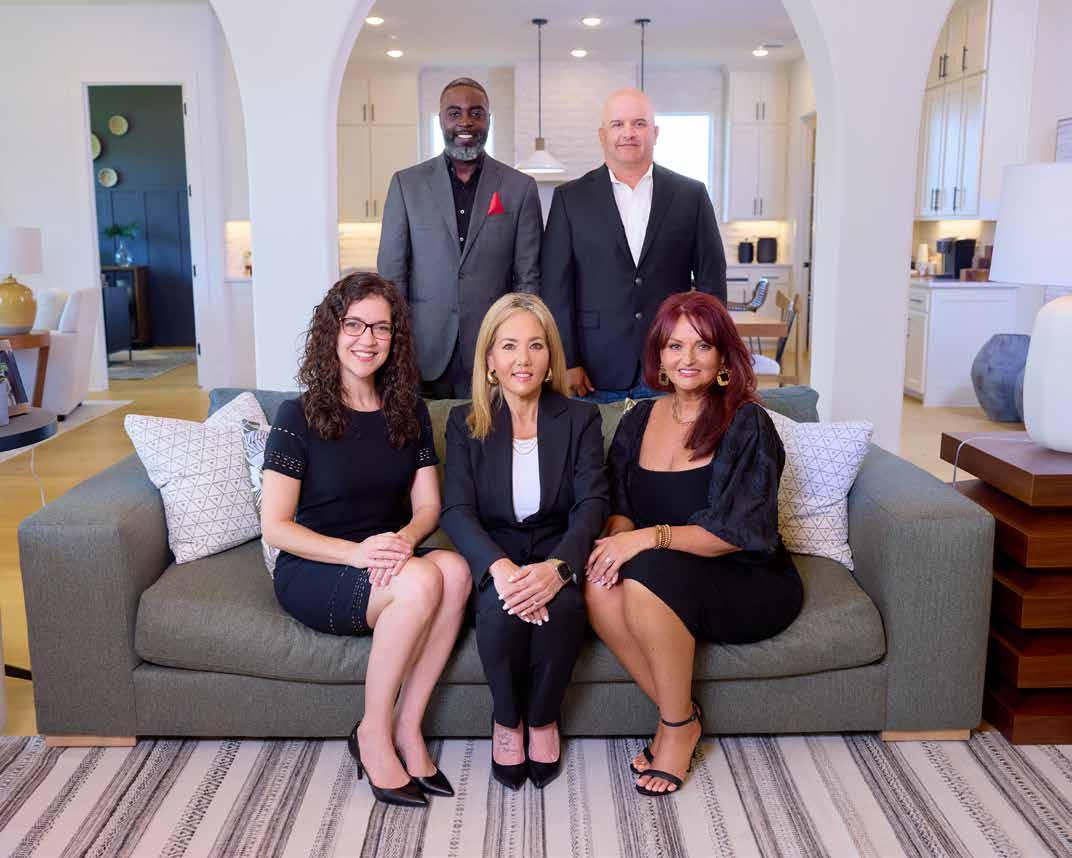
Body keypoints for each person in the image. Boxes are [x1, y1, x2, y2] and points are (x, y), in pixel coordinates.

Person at [260, 273, 472, 808]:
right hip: (317, 564)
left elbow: (428, 508)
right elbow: (276, 526)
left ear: (394, 338)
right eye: (354, 325)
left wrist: (403, 539)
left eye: (381, 327)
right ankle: (372, 734)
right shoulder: (297, 415)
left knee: (456, 571)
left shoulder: (409, 410)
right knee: (422, 580)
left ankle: (408, 727)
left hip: (387, 555)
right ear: (331, 331)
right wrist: (358, 553)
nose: (367, 339)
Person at [585, 291, 802, 797]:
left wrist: (646, 539)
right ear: (659, 356)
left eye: (703, 346)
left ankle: (676, 730)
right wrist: (616, 540)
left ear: (724, 356)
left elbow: (736, 532)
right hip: (665, 569)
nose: (687, 358)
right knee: (599, 585)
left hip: (746, 576)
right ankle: (681, 716)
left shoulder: (747, 423)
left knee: (645, 576)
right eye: (675, 346)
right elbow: (621, 504)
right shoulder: (638, 419)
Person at [440, 293, 608, 791]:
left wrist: (558, 568)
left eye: (536, 345)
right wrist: (499, 569)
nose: (523, 359)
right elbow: (456, 511)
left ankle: (542, 720)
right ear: (490, 359)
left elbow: (592, 504)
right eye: (509, 346)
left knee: (564, 609)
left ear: (550, 356)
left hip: (557, 550)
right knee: (499, 612)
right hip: (496, 553)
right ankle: (507, 722)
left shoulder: (580, 418)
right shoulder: (464, 421)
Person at [541, 87, 728, 402]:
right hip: (592, 371)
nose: (628, 133)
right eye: (618, 124)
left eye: (639, 123)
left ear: (655, 133)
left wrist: (708, 354)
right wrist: (567, 360)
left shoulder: (691, 196)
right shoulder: (569, 199)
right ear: (602, 135)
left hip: (672, 366)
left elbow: (712, 284)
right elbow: (555, 289)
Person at [377, 77, 543, 398]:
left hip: (494, 350)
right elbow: (392, 279)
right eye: (454, 113)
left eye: (476, 113)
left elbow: (528, 279)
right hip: (422, 351)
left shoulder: (519, 188)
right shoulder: (406, 185)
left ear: (488, 120)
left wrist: (520, 344)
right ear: (441, 120)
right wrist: (395, 348)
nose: (465, 122)